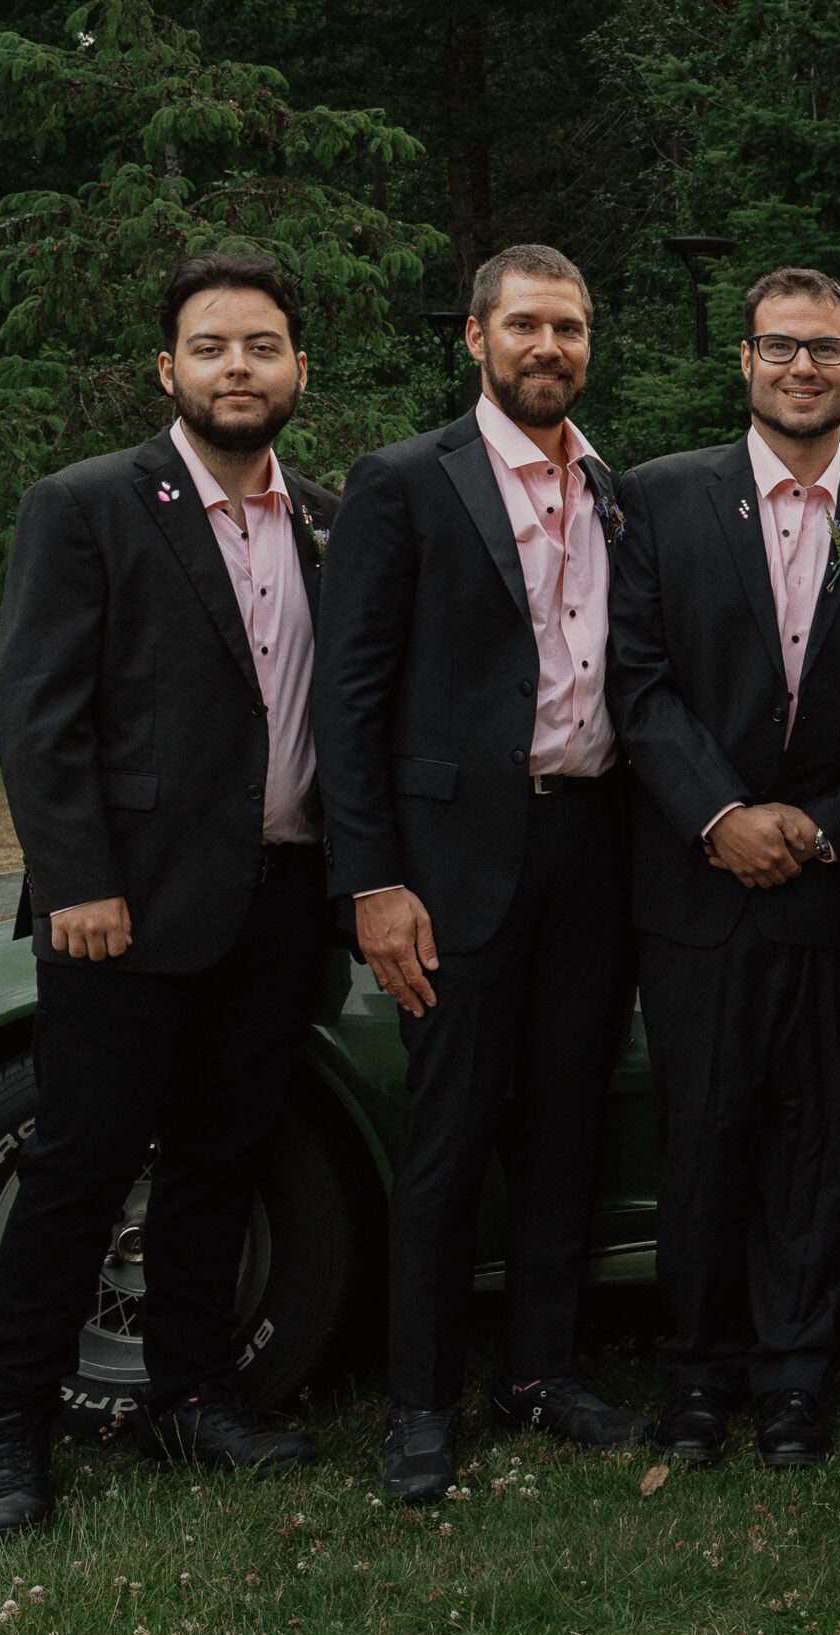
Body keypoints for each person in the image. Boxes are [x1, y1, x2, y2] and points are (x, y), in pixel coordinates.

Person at [0, 250, 336, 1538]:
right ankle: (9, 1429)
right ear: (167, 368)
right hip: (120, 910)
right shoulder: (86, 504)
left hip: (283, 904)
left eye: (263, 346)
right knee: (79, 1167)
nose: (240, 367)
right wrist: (75, 880)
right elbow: (37, 711)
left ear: (298, 367)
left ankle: (190, 1395)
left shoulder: (328, 520)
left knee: (220, 1163)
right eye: (214, 346)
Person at [315, 243, 645, 1506]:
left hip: (588, 849)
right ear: (475, 340)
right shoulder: (404, 483)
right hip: (452, 863)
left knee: (567, 1128)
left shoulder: (614, 483)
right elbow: (347, 701)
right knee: (448, 1139)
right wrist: (372, 880)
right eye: (525, 327)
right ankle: (418, 1405)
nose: (548, 347)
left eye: (568, 326)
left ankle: (540, 1374)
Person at [607, 268, 840, 1470]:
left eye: (825, 349)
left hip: (824, 879)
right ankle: (697, 1380)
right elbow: (633, 679)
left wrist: (822, 822)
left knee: (812, 1136)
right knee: (700, 1133)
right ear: (744, 362)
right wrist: (719, 815)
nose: (800, 368)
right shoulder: (656, 501)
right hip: (694, 883)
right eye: (778, 346)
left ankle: (797, 1381)